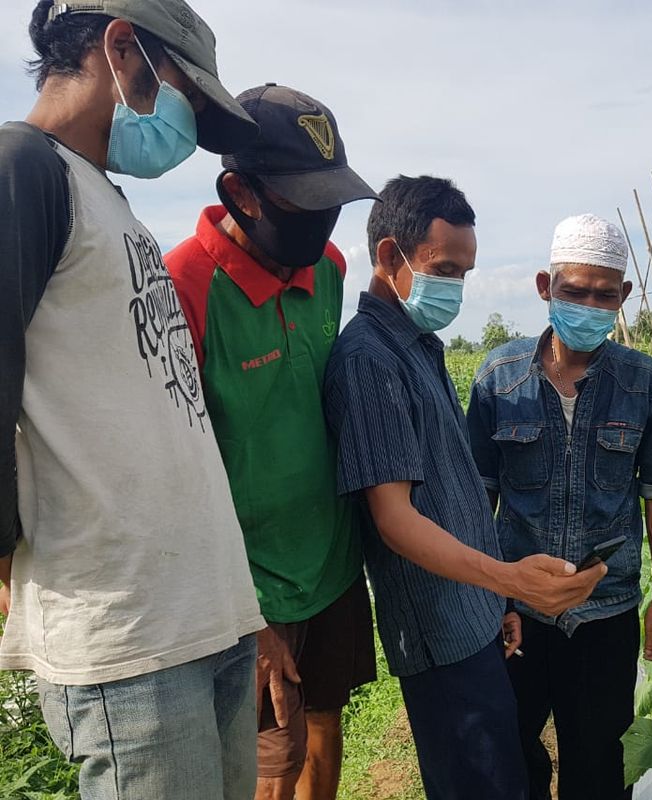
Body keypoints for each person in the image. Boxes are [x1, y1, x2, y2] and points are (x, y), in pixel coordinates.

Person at [0, 2, 266, 798]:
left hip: (204, 611)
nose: (181, 124)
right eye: (179, 88)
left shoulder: (107, 199)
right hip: (128, 637)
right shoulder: (22, 167)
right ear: (121, 49)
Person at [323, 176, 607, 799]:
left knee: (504, 774)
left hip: (470, 616)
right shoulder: (369, 359)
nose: (453, 287)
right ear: (390, 257)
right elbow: (395, 519)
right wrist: (509, 580)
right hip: (439, 633)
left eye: (463, 272)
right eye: (443, 268)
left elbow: (454, 494)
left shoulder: (419, 346)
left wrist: (496, 601)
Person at [165, 84, 378, 800]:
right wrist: (246, 613)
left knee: (325, 723)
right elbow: (175, 471)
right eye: (303, 203)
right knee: (272, 758)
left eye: (331, 202)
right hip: (248, 585)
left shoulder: (329, 273)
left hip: (331, 561)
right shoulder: (183, 287)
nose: (321, 222)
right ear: (240, 192)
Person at [466, 213, 652, 800]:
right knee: (512, 756)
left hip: (605, 608)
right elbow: (480, 496)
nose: (588, 305)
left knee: (598, 764)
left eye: (604, 295)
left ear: (624, 298)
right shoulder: (499, 378)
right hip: (518, 610)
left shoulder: (645, 383)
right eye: (574, 292)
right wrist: (490, 598)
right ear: (546, 287)